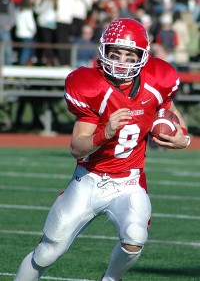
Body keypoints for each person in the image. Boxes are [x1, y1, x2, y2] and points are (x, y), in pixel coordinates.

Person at [14, 18, 191, 281]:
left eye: (129, 56)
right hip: (89, 179)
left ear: (142, 57)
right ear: (103, 52)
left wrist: (183, 139)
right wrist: (104, 133)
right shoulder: (91, 85)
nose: (121, 61)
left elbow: (171, 113)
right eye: (115, 53)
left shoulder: (157, 79)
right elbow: (77, 147)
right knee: (48, 253)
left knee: (134, 238)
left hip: (129, 182)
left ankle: (109, 279)